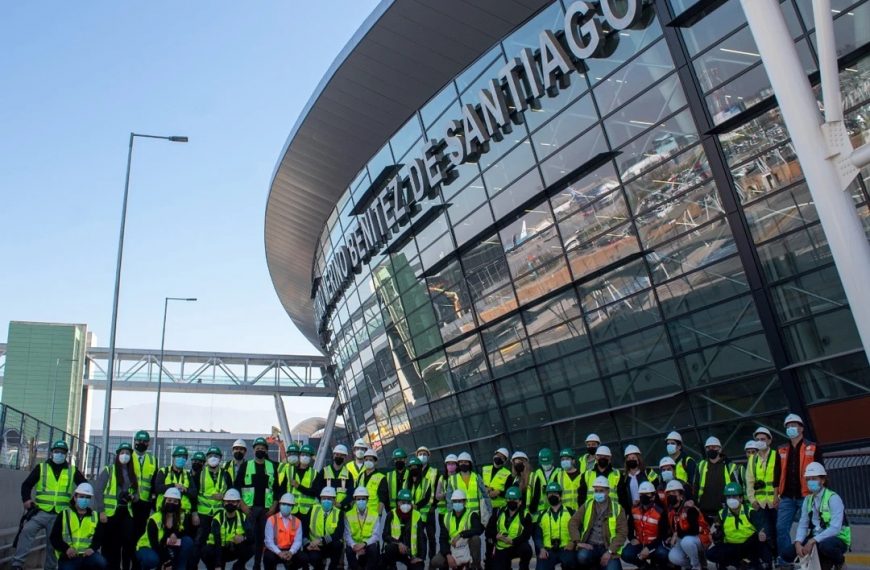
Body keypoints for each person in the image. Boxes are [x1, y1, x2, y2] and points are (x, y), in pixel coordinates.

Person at [12, 440, 87, 570]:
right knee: (26, 531)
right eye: (56, 451)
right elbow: (26, 484)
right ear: (52, 452)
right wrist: (26, 500)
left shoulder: (72, 470)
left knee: (53, 544)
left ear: (66, 454)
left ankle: (50, 568)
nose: (59, 454)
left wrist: (75, 502)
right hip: (40, 512)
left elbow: (85, 486)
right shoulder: (41, 468)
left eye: (62, 452)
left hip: (59, 515)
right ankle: (17, 564)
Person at [780, 462, 850, 569]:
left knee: (825, 546)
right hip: (816, 538)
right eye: (808, 479)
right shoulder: (808, 500)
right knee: (787, 553)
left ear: (823, 480)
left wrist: (813, 540)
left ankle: (839, 562)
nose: (810, 482)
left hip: (837, 538)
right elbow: (803, 525)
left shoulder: (833, 498)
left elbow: (835, 528)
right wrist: (798, 542)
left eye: (814, 478)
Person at [776, 413, 821, 559]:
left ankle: (811, 558)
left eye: (794, 425)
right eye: (788, 426)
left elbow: (821, 472)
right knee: (781, 528)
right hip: (787, 497)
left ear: (801, 428)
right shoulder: (781, 449)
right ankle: (786, 560)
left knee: (812, 528)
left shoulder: (812, 447)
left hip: (807, 495)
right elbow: (777, 474)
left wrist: (819, 493)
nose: (791, 428)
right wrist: (775, 494)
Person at [234, 436, 280, 570]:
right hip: (249, 509)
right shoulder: (246, 465)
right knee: (250, 539)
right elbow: (237, 486)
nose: (260, 450)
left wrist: (273, 506)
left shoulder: (272, 466)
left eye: (263, 448)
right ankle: (240, 564)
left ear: (266, 450)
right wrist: (242, 505)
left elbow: (276, 488)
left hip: (267, 511)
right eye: (257, 448)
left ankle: (257, 566)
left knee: (263, 540)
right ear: (253, 450)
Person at [94, 442, 138, 570]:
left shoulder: (132, 474)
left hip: (126, 513)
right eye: (122, 453)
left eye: (128, 453)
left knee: (127, 544)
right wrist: (101, 511)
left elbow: (137, 495)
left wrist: (132, 497)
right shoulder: (109, 470)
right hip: (110, 515)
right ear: (118, 455)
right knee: (110, 547)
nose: (125, 455)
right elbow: (98, 491)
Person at [568, 476, 627, 570]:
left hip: (608, 547)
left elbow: (622, 533)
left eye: (601, 491)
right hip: (590, 546)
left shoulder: (618, 509)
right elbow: (573, 522)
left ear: (608, 491)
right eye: (596, 491)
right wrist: (578, 542)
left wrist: (609, 552)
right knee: (582, 556)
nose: (598, 493)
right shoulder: (588, 505)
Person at [707, 483, 768, 570]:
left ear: (741, 498)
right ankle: (737, 563)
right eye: (728, 497)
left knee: (761, 544)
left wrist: (762, 533)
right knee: (710, 554)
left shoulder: (749, 511)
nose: (731, 500)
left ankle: (752, 562)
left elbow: (762, 526)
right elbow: (717, 531)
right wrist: (715, 536)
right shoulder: (722, 513)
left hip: (748, 545)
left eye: (734, 497)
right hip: (731, 546)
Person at [50, 482, 107, 570]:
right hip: (69, 556)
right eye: (82, 497)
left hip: (87, 556)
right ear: (75, 497)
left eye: (87, 497)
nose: (84, 500)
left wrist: (92, 549)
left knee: (102, 562)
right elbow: (54, 537)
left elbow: (99, 538)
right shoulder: (65, 514)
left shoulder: (95, 516)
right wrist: (66, 549)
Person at [193, 446, 233, 569]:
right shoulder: (199, 473)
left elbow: (231, 493)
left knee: (218, 542)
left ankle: (218, 566)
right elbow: (193, 494)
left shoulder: (226, 474)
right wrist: (194, 513)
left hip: (219, 515)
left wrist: (224, 496)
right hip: (202, 514)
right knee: (199, 543)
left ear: (220, 459)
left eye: (216, 456)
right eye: (210, 456)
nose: (213, 458)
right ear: (206, 458)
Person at [136, 488, 194, 570]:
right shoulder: (155, 518)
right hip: (148, 547)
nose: (172, 503)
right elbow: (154, 544)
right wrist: (166, 560)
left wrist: (175, 534)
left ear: (179, 503)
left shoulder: (181, 516)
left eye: (175, 501)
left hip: (167, 545)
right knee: (152, 560)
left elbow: (185, 531)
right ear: (164, 501)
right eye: (169, 500)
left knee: (188, 541)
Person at [747, 427, 779, 559]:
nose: (760, 442)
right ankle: (769, 558)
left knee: (778, 531)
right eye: (758, 439)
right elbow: (749, 481)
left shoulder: (777, 456)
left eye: (763, 439)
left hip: (775, 502)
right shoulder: (753, 459)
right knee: (765, 532)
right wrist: (752, 500)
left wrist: (779, 498)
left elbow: (780, 479)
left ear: (769, 441)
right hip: (760, 503)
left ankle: (779, 557)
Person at [200, 489, 253, 570]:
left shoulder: (242, 517)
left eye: (233, 502)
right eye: (227, 501)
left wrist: (243, 537)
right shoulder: (217, 518)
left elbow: (251, 535)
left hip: (232, 548)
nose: (230, 504)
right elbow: (217, 541)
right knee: (206, 551)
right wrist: (218, 565)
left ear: (238, 504)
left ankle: (238, 566)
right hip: (217, 548)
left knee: (251, 547)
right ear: (223, 503)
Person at [430, 490, 484, 569]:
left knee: (476, 539)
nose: (457, 503)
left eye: (459, 501)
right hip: (452, 547)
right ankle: (453, 565)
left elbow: (478, 529)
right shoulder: (446, 517)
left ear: (464, 502)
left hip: (466, 546)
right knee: (435, 561)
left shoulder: (472, 514)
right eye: (455, 501)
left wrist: (461, 535)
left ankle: (475, 565)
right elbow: (443, 539)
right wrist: (448, 556)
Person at [665, 480, 711, 570]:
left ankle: (696, 566)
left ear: (681, 496)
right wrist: (671, 536)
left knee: (686, 542)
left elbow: (694, 530)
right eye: (669, 493)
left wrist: (677, 534)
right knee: (673, 557)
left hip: (701, 538)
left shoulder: (690, 509)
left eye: (674, 493)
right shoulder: (671, 511)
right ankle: (692, 564)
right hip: (684, 539)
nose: (671, 495)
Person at [621, 481, 668, 570]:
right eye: (642, 494)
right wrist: (632, 538)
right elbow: (629, 527)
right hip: (640, 542)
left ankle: (658, 566)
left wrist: (649, 548)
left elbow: (663, 535)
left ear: (653, 496)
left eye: (647, 494)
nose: (644, 497)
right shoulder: (634, 510)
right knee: (626, 554)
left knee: (663, 553)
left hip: (655, 544)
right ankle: (645, 567)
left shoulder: (660, 511)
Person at [486, 486, 533, 570]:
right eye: (509, 499)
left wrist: (512, 541)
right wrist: (496, 535)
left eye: (514, 499)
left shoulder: (525, 515)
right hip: (501, 547)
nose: (511, 501)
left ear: (520, 501)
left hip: (515, 545)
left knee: (527, 549)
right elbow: (488, 530)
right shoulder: (498, 511)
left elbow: (527, 534)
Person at [534, 482, 576, 570]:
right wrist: (541, 549)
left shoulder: (570, 512)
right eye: (550, 494)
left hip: (566, 550)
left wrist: (573, 542)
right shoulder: (542, 514)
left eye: (555, 493)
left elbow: (578, 529)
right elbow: (538, 536)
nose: (552, 495)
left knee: (572, 562)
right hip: (548, 551)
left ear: (560, 496)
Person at [383, 488, 426, 570]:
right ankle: (392, 566)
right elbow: (385, 535)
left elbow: (422, 537)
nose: (406, 505)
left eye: (408, 502)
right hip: (395, 549)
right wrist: (398, 543)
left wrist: (421, 557)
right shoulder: (391, 514)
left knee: (418, 567)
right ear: (398, 502)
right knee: (387, 551)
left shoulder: (417, 515)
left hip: (411, 553)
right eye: (403, 502)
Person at [696, 437, 737, 523]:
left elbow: (736, 487)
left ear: (720, 449)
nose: (711, 449)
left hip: (725, 510)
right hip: (704, 510)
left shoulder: (730, 466)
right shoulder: (701, 465)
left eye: (714, 447)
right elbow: (695, 486)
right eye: (708, 447)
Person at [263, 493, 306, 570]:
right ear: (280, 505)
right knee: (268, 558)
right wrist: (279, 553)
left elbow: (298, 541)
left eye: (289, 505)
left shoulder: (297, 521)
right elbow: (268, 541)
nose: (286, 506)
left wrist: (291, 552)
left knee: (303, 558)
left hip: (290, 550)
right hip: (275, 550)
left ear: (292, 507)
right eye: (284, 504)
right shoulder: (271, 520)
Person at [306, 487, 344, 570]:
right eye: (324, 498)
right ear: (320, 499)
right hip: (314, 545)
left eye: (329, 499)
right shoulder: (313, 509)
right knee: (314, 559)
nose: (326, 501)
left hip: (329, 545)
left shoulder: (339, 513)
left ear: (334, 500)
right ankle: (320, 566)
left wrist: (321, 540)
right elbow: (304, 527)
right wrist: (308, 544)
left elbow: (339, 533)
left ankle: (332, 567)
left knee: (338, 544)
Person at [154, 446, 197, 520]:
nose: (181, 459)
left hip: (183, 513)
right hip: (164, 511)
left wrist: (185, 489)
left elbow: (194, 493)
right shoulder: (163, 471)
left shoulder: (187, 475)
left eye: (184, 457)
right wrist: (173, 485)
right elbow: (157, 488)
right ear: (173, 458)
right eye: (179, 456)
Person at [578, 446, 628, 511]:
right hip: (591, 513)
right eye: (600, 456)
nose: (602, 458)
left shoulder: (618, 474)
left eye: (605, 456)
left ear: (610, 458)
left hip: (612, 512)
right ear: (596, 457)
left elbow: (623, 497)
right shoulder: (586, 475)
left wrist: (623, 513)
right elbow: (581, 497)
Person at [344, 487, 382, 570]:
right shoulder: (348, 515)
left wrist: (364, 544)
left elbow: (376, 536)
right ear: (354, 500)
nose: (361, 501)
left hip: (367, 544)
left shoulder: (374, 515)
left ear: (367, 500)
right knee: (348, 549)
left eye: (363, 499)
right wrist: (354, 545)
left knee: (373, 548)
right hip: (355, 543)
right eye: (358, 499)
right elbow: (347, 535)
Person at [131, 431, 158, 544]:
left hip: (145, 503)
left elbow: (155, 482)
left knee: (141, 532)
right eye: (139, 440)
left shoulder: (153, 460)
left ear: (148, 444)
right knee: (129, 534)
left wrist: (153, 499)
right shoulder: (128, 457)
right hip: (131, 502)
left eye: (145, 441)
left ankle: (138, 559)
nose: (142, 443)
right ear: (135, 441)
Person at [448, 451, 490, 521]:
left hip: (477, 514)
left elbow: (485, 495)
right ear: (458, 464)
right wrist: (451, 512)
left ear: (470, 464)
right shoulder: (452, 479)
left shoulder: (477, 477)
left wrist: (489, 510)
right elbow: (449, 498)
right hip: (460, 514)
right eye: (461, 462)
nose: (463, 464)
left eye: (466, 462)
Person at [287, 444, 319, 531]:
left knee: (305, 536)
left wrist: (298, 486)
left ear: (311, 458)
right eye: (303, 454)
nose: (304, 457)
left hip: (308, 512)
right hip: (292, 510)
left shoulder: (315, 473)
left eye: (307, 455)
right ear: (299, 455)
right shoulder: (290, 470)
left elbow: (314, 492)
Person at [416, 445, 439, 562]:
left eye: (425, 454)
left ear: (428, 456)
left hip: (429, 510)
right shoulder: (413, 470)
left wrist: (434, 506)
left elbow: (438, 490)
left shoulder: (434, 472)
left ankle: (432, 560)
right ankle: (421, 558)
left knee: (431, 537)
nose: (422, 456)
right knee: (419, 536)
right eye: (420, 454)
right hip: (417, 511)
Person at [619, 445, 657, 511]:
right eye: (629, 458)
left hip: (649, 509)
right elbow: (622, 496)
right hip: (632, 510)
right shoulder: (623, 477)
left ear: (638, 459)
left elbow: (657, 486)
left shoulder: (648, 472)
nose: (631, 460)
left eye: (633, 458)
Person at [318, 444, 354, 512]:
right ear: (333, 455)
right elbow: (317, 489)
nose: (339, 457)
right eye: (337, 455)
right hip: (325, 509)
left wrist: (341, 504)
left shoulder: (349, 475)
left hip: (341, 509)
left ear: (345, 457)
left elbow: (350, 494)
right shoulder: (323, 472)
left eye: (342, 455)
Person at [354, 448, 388, 516]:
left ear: (375, 462)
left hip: (374, 514)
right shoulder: (360, 476)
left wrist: (379, 514)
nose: (368, 461)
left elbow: (382, 500)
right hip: (360, 513)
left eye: (370, 460)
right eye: (366, 460)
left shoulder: (381, 478)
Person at [435, 454, 458, 552]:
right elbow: (437, 496)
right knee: (444, 535)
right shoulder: (442, 478)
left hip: (456, 510)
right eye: (449, 464)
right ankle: (445, 554)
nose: (451, 466)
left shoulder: (459, 477)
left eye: (453, 464)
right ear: (446, 465)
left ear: (457, 465)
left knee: (455, 533)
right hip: (443, 512)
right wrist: (446, 494)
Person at [483, 447, 511, 513]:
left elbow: (508, 493)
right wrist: (485, 488)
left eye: (502, 457)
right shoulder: (484, 469)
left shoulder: (508, 474)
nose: (499, 458)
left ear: (505, 461)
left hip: (499, 508)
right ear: (494, 456)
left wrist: (499, 492)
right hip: (484, 506)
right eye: (498, 455)